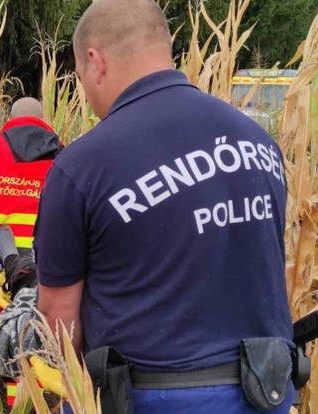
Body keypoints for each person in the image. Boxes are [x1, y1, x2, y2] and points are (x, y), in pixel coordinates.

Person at [33, 1, 295, 413]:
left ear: (94, 61)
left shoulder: (82, 167)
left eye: (82, 79)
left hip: (151, 398)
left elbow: (58, 321)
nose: (86, 96)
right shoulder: (258, 143)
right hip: (264, 390)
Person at [0, 98, 62, 408]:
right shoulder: (63, 155)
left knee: (5, 321)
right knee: (45, 321)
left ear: (11, 118)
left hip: (4, 258)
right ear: (43, 119)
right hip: (51, 257)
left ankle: (13, 396)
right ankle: (42, 390)